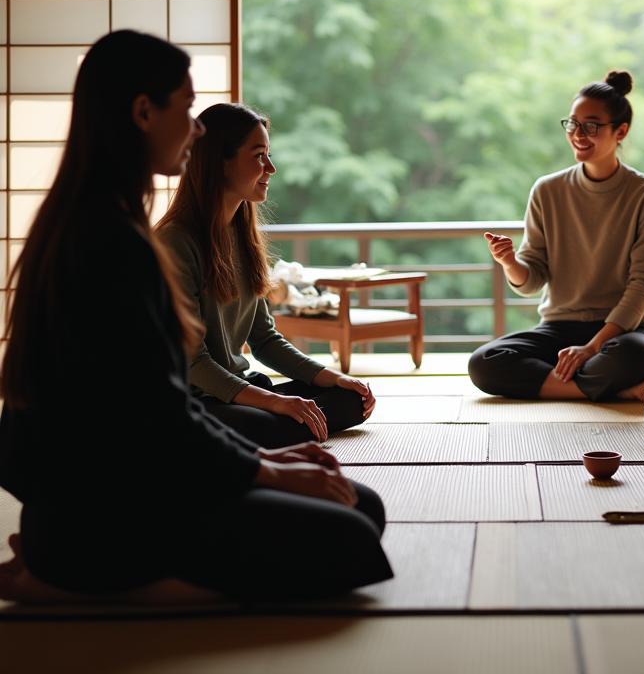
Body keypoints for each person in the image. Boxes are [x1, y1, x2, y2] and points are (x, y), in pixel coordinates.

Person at [0, 31, 392, 605]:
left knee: (363, 505)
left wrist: (262, 459)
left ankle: (74, 566)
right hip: (103, 507)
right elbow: (165, 412)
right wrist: (270, 471)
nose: (196, 127)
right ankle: (76, 581)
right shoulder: (116, 243)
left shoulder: (95, 220)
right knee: (352, 538)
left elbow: (159, 409)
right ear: (142, 112)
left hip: (123, 484)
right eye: (186, 107)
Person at [156, 102, 374, 449]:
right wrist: (274, 402)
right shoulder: (175, 243)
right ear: (220, 162)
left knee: (349, 400)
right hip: (194, 402)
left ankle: (273, 421)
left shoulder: (242, 236)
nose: (270, 168)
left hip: (238, 390)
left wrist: (333, 377)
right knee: (279, 424)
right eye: (259, 156)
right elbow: (193, 363)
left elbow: (265, 340)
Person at [468, 70, 644, 402]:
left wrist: (591, 348)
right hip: (559, 328)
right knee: (484, 364)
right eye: (572, 124)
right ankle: (621, 393)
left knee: (630, 357)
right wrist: (509, 262)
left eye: (591, 126)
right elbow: (532, 279)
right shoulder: (547, 190)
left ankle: (578, 385)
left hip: (622, 330)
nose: (578, 133)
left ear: (621, 131)